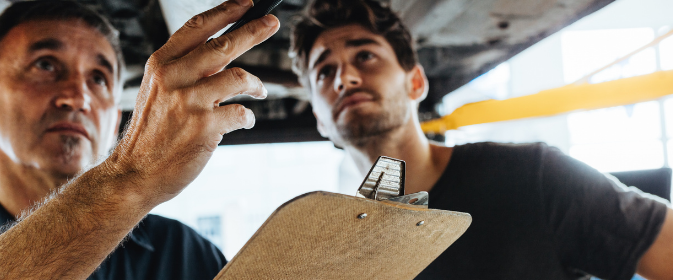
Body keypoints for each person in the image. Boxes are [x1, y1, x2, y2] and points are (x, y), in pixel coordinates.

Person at [289, 0, 673, 279]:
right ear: (319, 120)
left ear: (416, 82)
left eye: (366, 56)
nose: (345, 79)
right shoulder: (340, 251)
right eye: (324, 72)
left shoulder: (531, 177)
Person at [0, 0, 279, 279]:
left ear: (115, 122)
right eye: (45, 65)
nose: (78, 98)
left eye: (99, 79)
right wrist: (130, 174)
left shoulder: (185, 254)